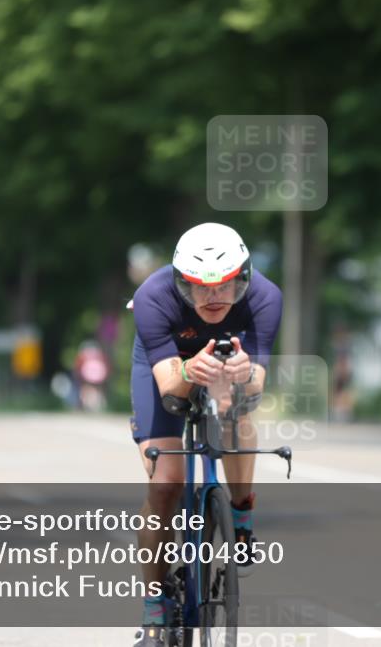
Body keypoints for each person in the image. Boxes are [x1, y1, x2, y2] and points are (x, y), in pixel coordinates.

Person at [129, 223, 282, 647]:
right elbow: (167, 386)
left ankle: (241, 511)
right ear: (181, 284)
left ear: (243, 279)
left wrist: (244, 374)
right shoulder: (152, 297)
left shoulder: (265, 298)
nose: (213, 296)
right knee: (166, 483)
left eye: (225, 286)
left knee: (237, 415)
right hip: (167, 364)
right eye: (199, 287)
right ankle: (155, 606)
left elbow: (257, 382)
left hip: (231, 361)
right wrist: (188, 371)